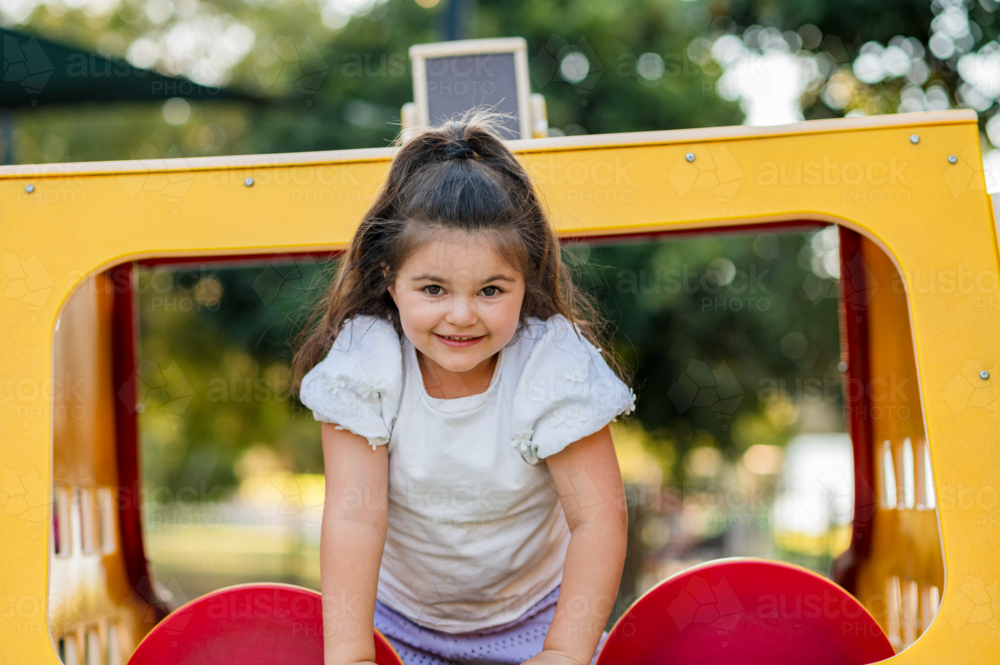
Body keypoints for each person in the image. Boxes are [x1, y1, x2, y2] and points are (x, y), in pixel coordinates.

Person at [291, 108, 637, 665]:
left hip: (536, 620)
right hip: (395, 625)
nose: (461, 315)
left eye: (491, 290)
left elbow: (597, 518)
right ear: (390, 279)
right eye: (432, 288)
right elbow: (356, 514)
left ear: (527, 282)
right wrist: (352, 653)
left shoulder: (549, 364)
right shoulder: (368, 361)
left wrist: (565, 653)